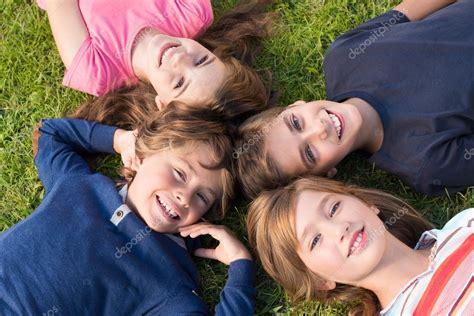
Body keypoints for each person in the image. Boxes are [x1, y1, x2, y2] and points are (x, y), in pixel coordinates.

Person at [0, 105, 255, 315]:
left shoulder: (169, 280)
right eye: (179, 173)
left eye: (201, 197)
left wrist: (240, 267)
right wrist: (121, 140)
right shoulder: (81, 185)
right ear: (143, 156)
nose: (184, 196)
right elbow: (50, 134)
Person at [234, 0, 474, 198]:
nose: (319, 128)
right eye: (310, 153)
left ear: (296, 105)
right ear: (327, 174)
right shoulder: (425, 163)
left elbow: (412, 10)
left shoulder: (343, 56)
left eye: (296, 123)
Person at [247, 176, 473, 315]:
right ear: (319, 281)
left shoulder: (464, 225)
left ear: (367, 203)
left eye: (334, 208)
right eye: (315, 240)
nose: (339, 228)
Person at [36, 0, 275, 121]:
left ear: (162, 104)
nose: (180, 59)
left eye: (179, 83)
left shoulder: (97, 69)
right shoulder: (191, 12)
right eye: (202, 60)